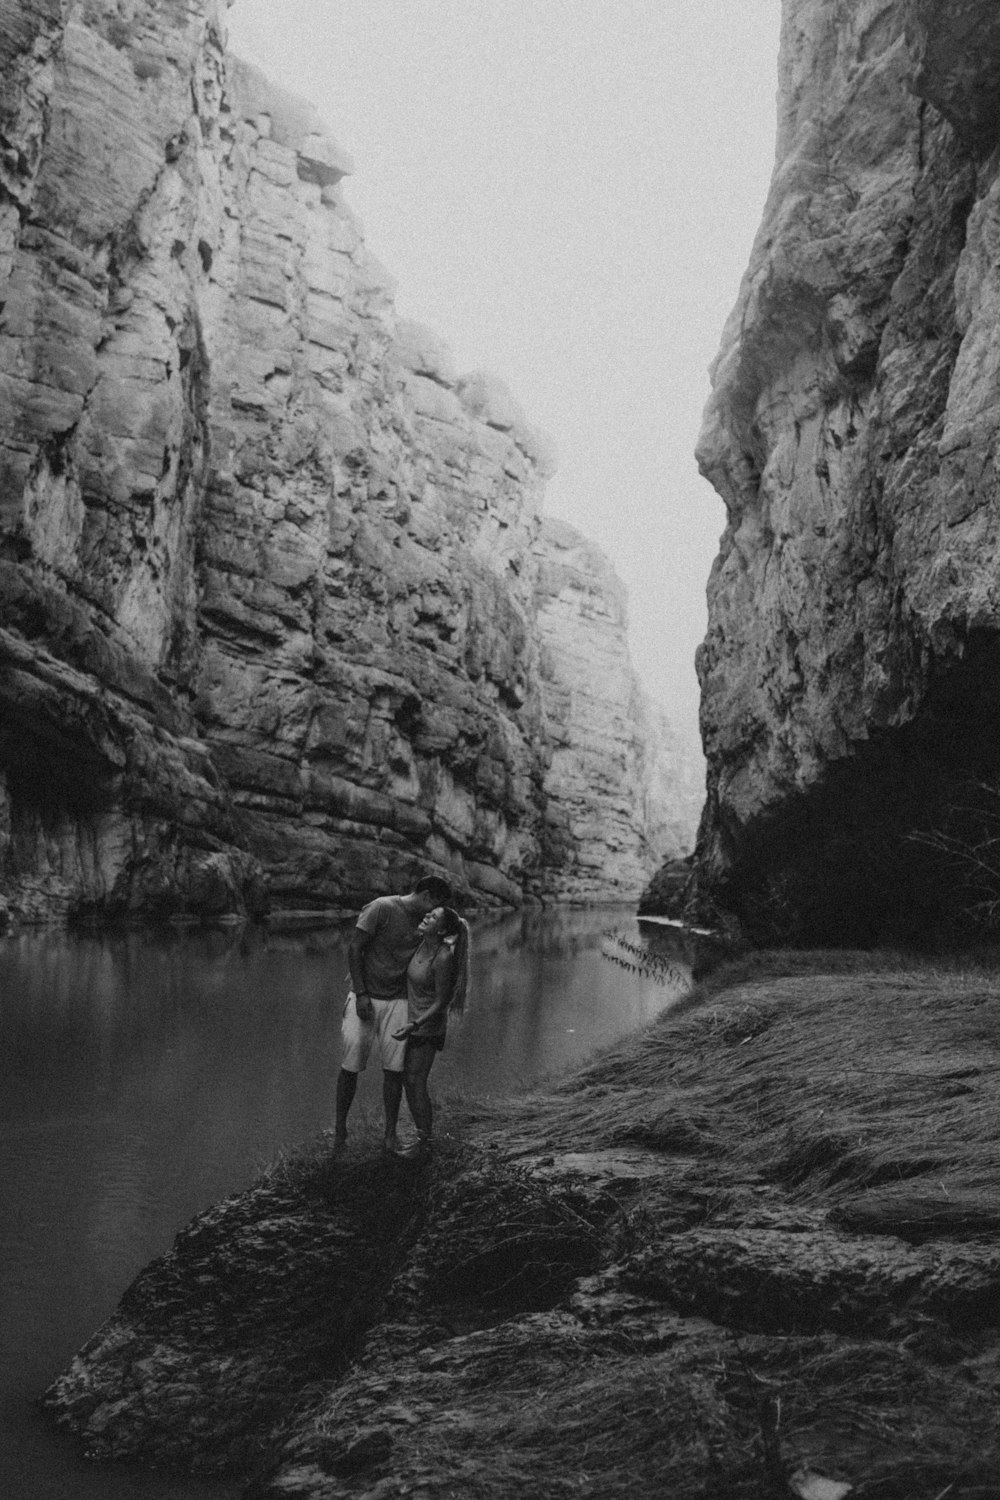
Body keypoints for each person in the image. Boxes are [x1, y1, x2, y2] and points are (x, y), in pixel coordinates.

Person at [334, 874, 453, 1152]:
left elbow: (440, 952)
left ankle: (390, 1133)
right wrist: (361, 994)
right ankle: (340, 1129)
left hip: (399, 1001)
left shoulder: (427, 926)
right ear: (426, 896)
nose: (433, 913)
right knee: (350, 1065)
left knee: (394, 1071)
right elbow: (354, 948)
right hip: (364, 997)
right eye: (435, 905)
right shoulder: (381, 908)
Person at [392, 905, 470, 1157]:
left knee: (415, 1082)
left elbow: (442, 1001)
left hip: (427, 1027)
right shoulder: (420, 945)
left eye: (433, 917)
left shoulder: (443, 957)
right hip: (413, 1023)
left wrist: (415, 1024)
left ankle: (424, 1143)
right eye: (428, 914)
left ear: (443, 929)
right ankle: (421, 1138)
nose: (426, 916)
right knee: (409, 1080)